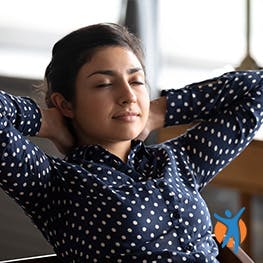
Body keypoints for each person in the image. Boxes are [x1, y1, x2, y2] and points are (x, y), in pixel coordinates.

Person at [0, 23, 262, 263]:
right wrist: (44, 121)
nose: (128, 96)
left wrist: (161, 111)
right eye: (104, 84)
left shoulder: (178, 160)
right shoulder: (55, 183)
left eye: (136, 81)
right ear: (66, 104)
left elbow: (258, 89)